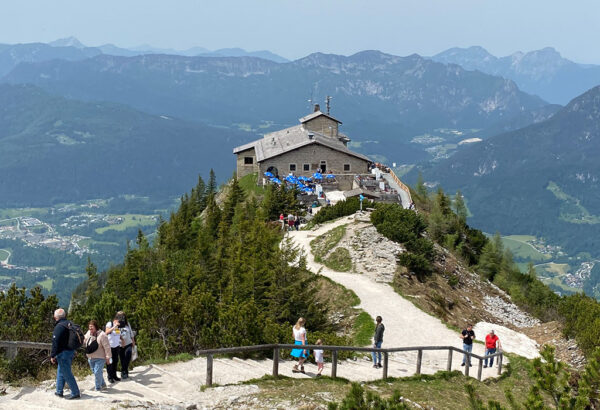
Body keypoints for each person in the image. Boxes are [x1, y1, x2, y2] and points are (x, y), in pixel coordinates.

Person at [50, 308, 81, 400]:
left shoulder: (59, 326)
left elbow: (55, 342)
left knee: (67, 373)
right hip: (70, 351)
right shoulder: (69, 324)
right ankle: (59, 391)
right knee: (61, 371)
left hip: (63, 353)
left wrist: (52, 355)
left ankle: (75, 392)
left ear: (56, 317)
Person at [84, 320, 111, 391]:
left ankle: (98, 388)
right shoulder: (88, 333)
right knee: (96, 373)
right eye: (89, 327)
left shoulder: (102, 335)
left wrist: (108, 357)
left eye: (91, 327)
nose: (90, 329)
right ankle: (103, 384)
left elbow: (107, 347)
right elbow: (85, 339)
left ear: (96, 327)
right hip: (90, 357)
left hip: (100, 357)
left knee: (97, 372)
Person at [116, 311, 136, 380]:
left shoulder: (127, 323)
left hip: (128, 342)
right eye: (119, 315)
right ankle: (125, 372)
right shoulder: (116, 324)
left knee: (128, 354)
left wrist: (133, 340)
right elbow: (116, 332)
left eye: (122, 315)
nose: (121, 317)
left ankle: (123, 370)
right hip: (120, 344)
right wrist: (121, 341)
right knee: (122, 358)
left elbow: (130, 332)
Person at [105, 315, 122, 383]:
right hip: (110, 346)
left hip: (116, 346)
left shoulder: (118, 327)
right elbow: (106, 332)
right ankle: (110, 376)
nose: (119, 322)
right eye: (118, 321)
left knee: (115, 361)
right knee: (110, 362)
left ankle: (114, 375)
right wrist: (114, 326)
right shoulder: (110, 324)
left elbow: (118, 335)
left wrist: (122, 340)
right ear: (115, 320)